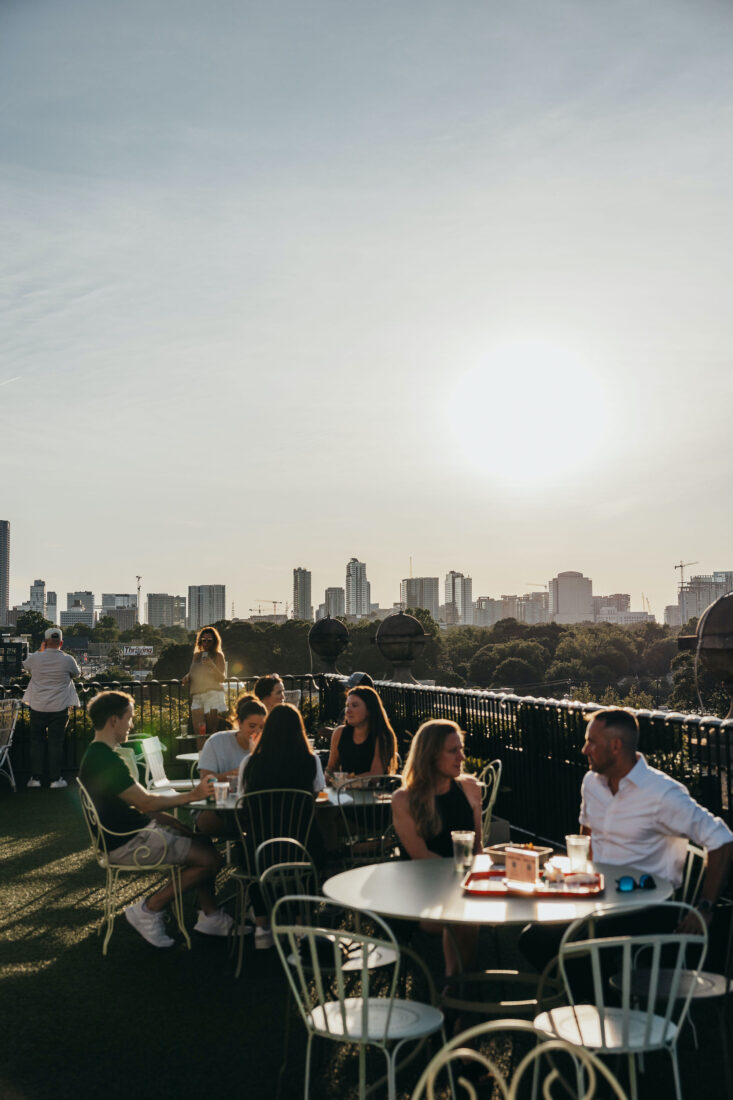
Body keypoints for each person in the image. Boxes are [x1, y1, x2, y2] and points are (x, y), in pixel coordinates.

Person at [520, 706, 733, 969]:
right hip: (597, 897)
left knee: (588, 953)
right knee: (532, 938)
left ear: (616, 747)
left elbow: (722, 839)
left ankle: (597, 1001)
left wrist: (704, 907)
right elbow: (587, 833)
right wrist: (578, 878)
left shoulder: (662, 793)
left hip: (647, 907)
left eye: (591, 743)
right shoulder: (592, 782)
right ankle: (591, 998)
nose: (584, 750)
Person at [79, 690, 232, 947]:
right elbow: (145, 801)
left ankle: (210, 916)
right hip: (128, 843)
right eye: (129, 718)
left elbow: (134, 803)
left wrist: (169, 820)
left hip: (129, 834)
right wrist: (192, 795)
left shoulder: (98, 755)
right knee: (210, 859)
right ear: (113, 720)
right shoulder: (105, 759)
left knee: (202, 841)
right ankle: (150, 909)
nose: (132, 724)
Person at [392, 719, 482, 975]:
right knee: (463, 918)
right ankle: (460, 994)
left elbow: (478, 848)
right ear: (431, 755)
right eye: (453, 751)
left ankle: (456, 996)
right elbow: (422, 858)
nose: (461, 757)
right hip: (418, 893)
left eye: (461, 749)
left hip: (462, 887)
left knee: (465, 914)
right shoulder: (404, 799)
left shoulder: (469, 788)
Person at [239, 703, 326, 948]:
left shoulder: (250, 763)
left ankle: (262, 927)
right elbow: (317, 794)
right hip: (301, 844)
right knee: (312, 853)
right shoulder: (311, 761)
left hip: (261, 846)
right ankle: (301, 925)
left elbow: (241, 799)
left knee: (251, 855)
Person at [195, 692, 266, 837]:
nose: (257, 731)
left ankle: (248, 852)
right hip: (218, 807)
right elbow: (205, 779)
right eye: (252, 726)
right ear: (239, 723)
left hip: (255, 807)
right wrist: (234, 774)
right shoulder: (217, 741)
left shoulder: (268, 746)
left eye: (262, 727)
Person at [23, 627, 80, 789]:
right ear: (61, 643)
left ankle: (36, 778)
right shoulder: (68, 660)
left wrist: (40, 651)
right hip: (59, 707)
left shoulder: (35, 658)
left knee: (36, 742)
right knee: (56, 743)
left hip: (37, 706)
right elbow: (77, 674)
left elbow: (25, 666)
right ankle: (56, 779)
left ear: (45, 642)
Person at [326, 685, 398, 777]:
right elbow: (331, 768)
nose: (348, 711)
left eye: (354, 705)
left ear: (369, 710)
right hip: (344, 790)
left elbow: (375, 776)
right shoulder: (339, 733)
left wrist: (345, 781)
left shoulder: (381, 736)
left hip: (374, 790)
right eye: (347, 706)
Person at [182, 626, 227, 740]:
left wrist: (212, 665)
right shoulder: (197, 656)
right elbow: (192, 672)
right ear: (200, 640)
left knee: (212, 733)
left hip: (212, 695)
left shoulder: (218, 655)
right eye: (203, 640)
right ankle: (202, 757)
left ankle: (214, 757)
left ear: (215, 641)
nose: (206, 642)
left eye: (209, 640)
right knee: (199, 734)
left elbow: (222, 678)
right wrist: (187, 676)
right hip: (197, 696)